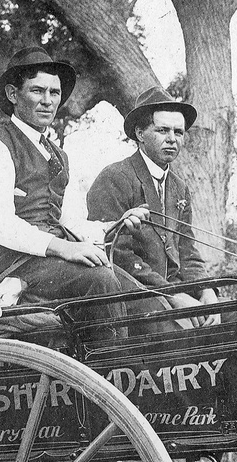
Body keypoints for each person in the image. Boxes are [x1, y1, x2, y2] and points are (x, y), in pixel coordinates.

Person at [0, 46, 152, 333]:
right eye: (37, 91)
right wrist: (64, 248)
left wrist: (117, 224)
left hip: (52, 261)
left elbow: (67, 222)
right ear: (14, 95)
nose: (48, 101)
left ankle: (142, 370)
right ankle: (108, 370)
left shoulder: (57, 155)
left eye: (55, 93)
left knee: (139, 294)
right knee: (100, 280)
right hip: (18, 266)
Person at [87, 86, 218, 319]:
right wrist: (172, 296)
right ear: (140, 133)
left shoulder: (179, 187)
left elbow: (187, 250)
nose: (171, 139)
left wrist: (207, 290)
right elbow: (117, 254)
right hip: (136, 298)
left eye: (178, 132)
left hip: (178, 294)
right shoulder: (114, 178)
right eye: (162, 130)